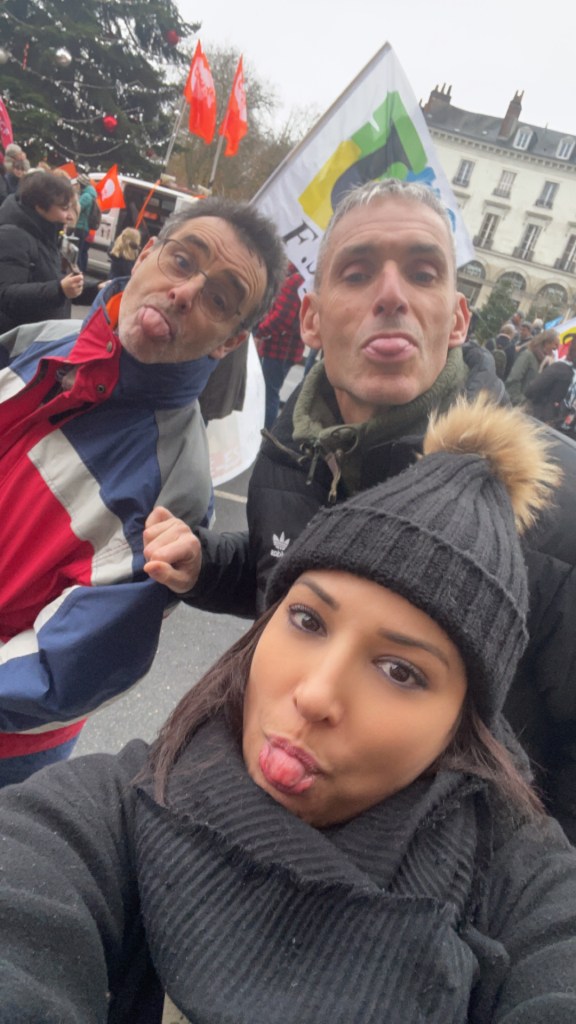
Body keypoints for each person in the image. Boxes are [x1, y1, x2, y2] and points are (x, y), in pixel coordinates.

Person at [2, 396, 576, 1023]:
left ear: (464, 724)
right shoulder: (114, 806)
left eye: (400, 671)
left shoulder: (521, 881)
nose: (315, 695)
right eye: (307, 620)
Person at [143, 178, 576, 843]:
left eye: (423, 273)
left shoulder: (557, 501)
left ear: (458, 318)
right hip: (268, 819)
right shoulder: (293, 443)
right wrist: (205, 563)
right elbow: (280, 575)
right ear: (311, 319)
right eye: (357, 272)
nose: (392, 295)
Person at [0, 196, 285, 785]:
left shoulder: (176, 489)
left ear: (228, 342)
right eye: (182, 260)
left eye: (219, 299)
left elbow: (65, 668)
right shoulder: (41, 340)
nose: (184, 292)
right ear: (147, 253)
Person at [0, 170, 84, 334]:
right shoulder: (12, 235)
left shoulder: (45, 233)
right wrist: (59, 290)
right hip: (18, 342)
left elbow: (49, 279)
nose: (69, 216)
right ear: (39, 206)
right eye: (64, 208)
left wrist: (94, 288)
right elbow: (6, 295)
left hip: (38, 337)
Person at [253, 261, 305, 428]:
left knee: (268, 394)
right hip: (287, 348)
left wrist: (261, 332)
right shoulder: (298, 278)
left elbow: (282, 317)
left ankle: (264, 433)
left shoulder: (295, 280)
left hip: (279, 348)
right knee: (269, 391)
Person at [525, 336, 576, 425]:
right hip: (564, 427)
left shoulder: (560, 368)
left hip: (541, 420)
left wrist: (542, 370)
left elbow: (531, 390)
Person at [505, 329, 559, 406]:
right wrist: (521, 402)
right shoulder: (528, 355)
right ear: (546, 343)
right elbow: (513, 380)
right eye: (553, 348)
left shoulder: (547, 363)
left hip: (534, 408)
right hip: (518, 406)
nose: (554, 352)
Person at [74, 172, 98, 272]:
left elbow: (76, 208)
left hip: (81, 227)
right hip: (84, 228)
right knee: (80, 252)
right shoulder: (89, 195)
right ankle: (81, 271)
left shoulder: (86, 196)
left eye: (77, 184)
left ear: (80, 184)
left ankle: (79, 272)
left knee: (77, 253)